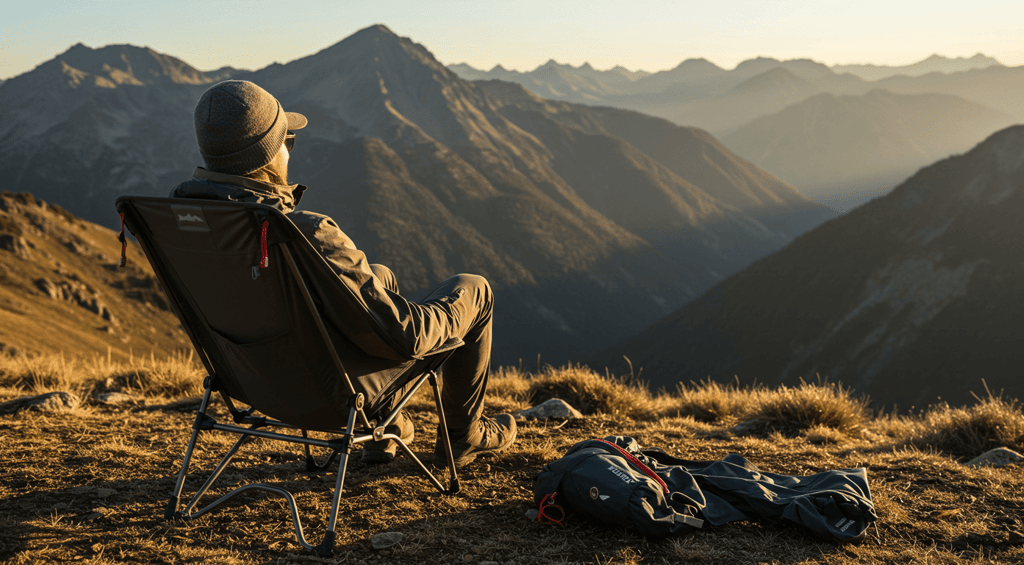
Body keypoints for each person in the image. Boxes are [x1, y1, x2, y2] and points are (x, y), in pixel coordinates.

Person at [170, 80, 515, 467]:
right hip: (335, 396)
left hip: (254, 385)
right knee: (473, 288)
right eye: (288, 141)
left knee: (378, 276)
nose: (290, 150)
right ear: (268, 155)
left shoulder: (178, 226)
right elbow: (405, 335)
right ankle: (463, 436)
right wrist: (450, 313)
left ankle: (385, 432)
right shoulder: (305, 232)